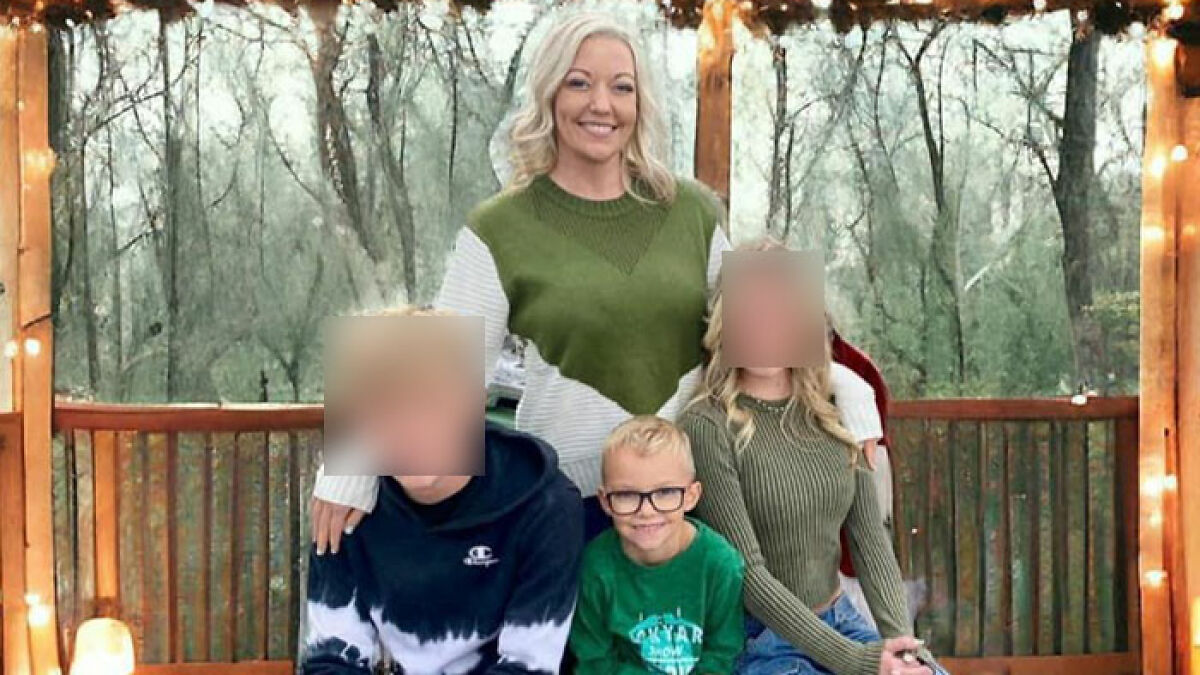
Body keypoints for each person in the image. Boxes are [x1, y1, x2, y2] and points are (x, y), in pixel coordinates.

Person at [308, 11, 884, 552]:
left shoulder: (693, 210)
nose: (601, 104)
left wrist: (855, 393)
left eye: (621, 87)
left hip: (690, 502)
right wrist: (346, 466)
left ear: (640, 102)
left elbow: (766, 336)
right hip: (567, 510)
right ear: (549, 95)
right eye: (579, 83)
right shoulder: (499, 226)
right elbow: (437, 364)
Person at [677, 242, 945, 675]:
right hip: (759, 638)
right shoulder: (707, 424)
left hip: (841, 621)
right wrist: (859, 661)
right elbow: (749, 577)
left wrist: (904, 650)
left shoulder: (835, 412)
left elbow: (870, 540)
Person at [302, 306, 583, 674]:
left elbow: (528, 666)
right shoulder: (344, 507)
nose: (411, 427)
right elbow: (331, 658)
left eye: (431, 403)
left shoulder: (544, 507)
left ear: (475, 403)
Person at [569, 415, 744, 674]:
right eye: (627, 495)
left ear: (691, 496)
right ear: (605, 501)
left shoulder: (720, 564)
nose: (647, 511)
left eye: (665, 492)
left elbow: (722, 654)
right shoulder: (596, 567)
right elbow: (593, 661)